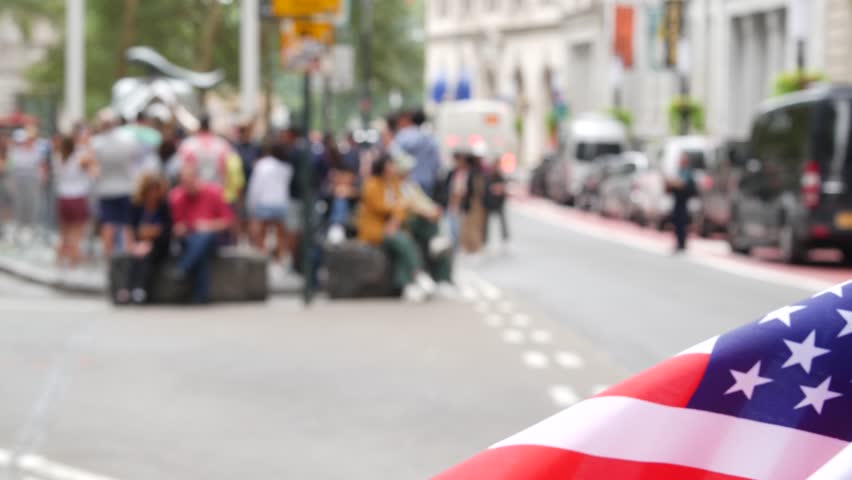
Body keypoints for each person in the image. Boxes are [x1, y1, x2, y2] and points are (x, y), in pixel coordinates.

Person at [357, 154, 436, 302]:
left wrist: (395, 219)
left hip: (392, 228)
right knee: (403, 242)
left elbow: (402, 205)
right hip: (376, 230)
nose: (394, 169)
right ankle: (418, 273)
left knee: (406, 242)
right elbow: (380, 207)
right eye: (391, 165)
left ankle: (405, 285)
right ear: (383, 167)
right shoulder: (372, 184)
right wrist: (396, 213)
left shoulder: (394, 183)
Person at [169, 164, 233, 304]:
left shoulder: (214, 192)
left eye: (190, 181)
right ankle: (201, 295)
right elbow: (176, 225)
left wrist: (209, 225)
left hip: (212, 238)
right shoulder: (177, 196)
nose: (188, 186)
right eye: (184, 183)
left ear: (198, 179)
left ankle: (184, 267)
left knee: (204, 237)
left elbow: (227, 221)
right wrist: (180, 228)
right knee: (199, 249)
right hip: (189, 238)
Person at [393, 149, 454, 292]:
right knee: (432, 236)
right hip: (407, 222)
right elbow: (403, 206)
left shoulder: (412, 185)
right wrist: (424, 211)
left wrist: (433, 210)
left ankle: (443, 279)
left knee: (441, 242)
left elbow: (424, 201)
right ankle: (415, 279)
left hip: (423, 221)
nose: (408, 171)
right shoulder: (394, 185)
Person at [91, 108, 141, 258]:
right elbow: (135, 159)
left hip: (106, 189)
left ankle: (108, 258)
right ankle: (128, 258)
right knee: (126, 224)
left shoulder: (97, 143)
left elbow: (94, 167)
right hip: (126, 187)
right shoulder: (128, 139)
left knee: (108, 224)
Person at [118, 173, 172, 305]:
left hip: (158, 245)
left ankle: (139, 289)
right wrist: (133, 245)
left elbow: (165, 230)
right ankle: (129, 289)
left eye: (156, 190)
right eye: (150, 190)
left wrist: (150, 235)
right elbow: (131, 228)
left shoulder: (164, 206)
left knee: (146, 256)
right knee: (136, 256)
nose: (153, 194)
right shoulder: (136, 206)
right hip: (139, 244)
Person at [246, 144, 293, 260]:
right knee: (280, 233)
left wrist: (251, 203)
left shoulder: (262, 165)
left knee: (262, 232)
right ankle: (279, 258)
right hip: (281, 202)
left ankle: (263, 256)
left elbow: (255, 186)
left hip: (264, 201)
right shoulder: (287, 167)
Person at [54, 134, 95, 267]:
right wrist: (86, 144)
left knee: (64, 231)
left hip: (63, 197)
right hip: (77, 197)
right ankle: (73, 259)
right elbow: (91, 162)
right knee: (77, 232)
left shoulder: (58, 158)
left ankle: (60, 258)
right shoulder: (78, 159)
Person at [6, 124, 49, 243]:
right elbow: (12, 167)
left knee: (33, 203)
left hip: (32, 180)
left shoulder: (38, 149)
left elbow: (42, 165)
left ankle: (30, 227)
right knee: (19, 204)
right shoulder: (15, 151)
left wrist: (42, 176)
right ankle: (19, 227)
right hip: (19, 180)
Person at [393, 110, 442, 197]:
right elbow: (437, 162)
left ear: (411, 120)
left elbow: (394, 155)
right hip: (427, 179)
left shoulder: (404, 135)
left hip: (409, 180)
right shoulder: (430, 136)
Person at [176, 115, 232, 187]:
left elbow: (182, 169)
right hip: (217, 188)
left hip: (195, 189)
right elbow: (228, 169)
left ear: (199, 126)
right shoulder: (222, 144)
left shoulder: (188, 145)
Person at [667, 154, 697, 253]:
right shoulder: (679, 171)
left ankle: (682, 243)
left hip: (683, 201)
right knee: (676, 221)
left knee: (682, 222)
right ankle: (679, 242)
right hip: (677, 200)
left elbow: (685, 185)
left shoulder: (688, 172)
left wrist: (678, 184)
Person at [483, 160, 510, 250]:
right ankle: (485, 240)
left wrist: (499, 189)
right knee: (486, 223)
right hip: (490, 202)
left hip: (498, 203)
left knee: (502, 221)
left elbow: (504, 189)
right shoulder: (488, 177)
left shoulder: (500, 177)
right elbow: (486, 189)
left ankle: (504, 238)